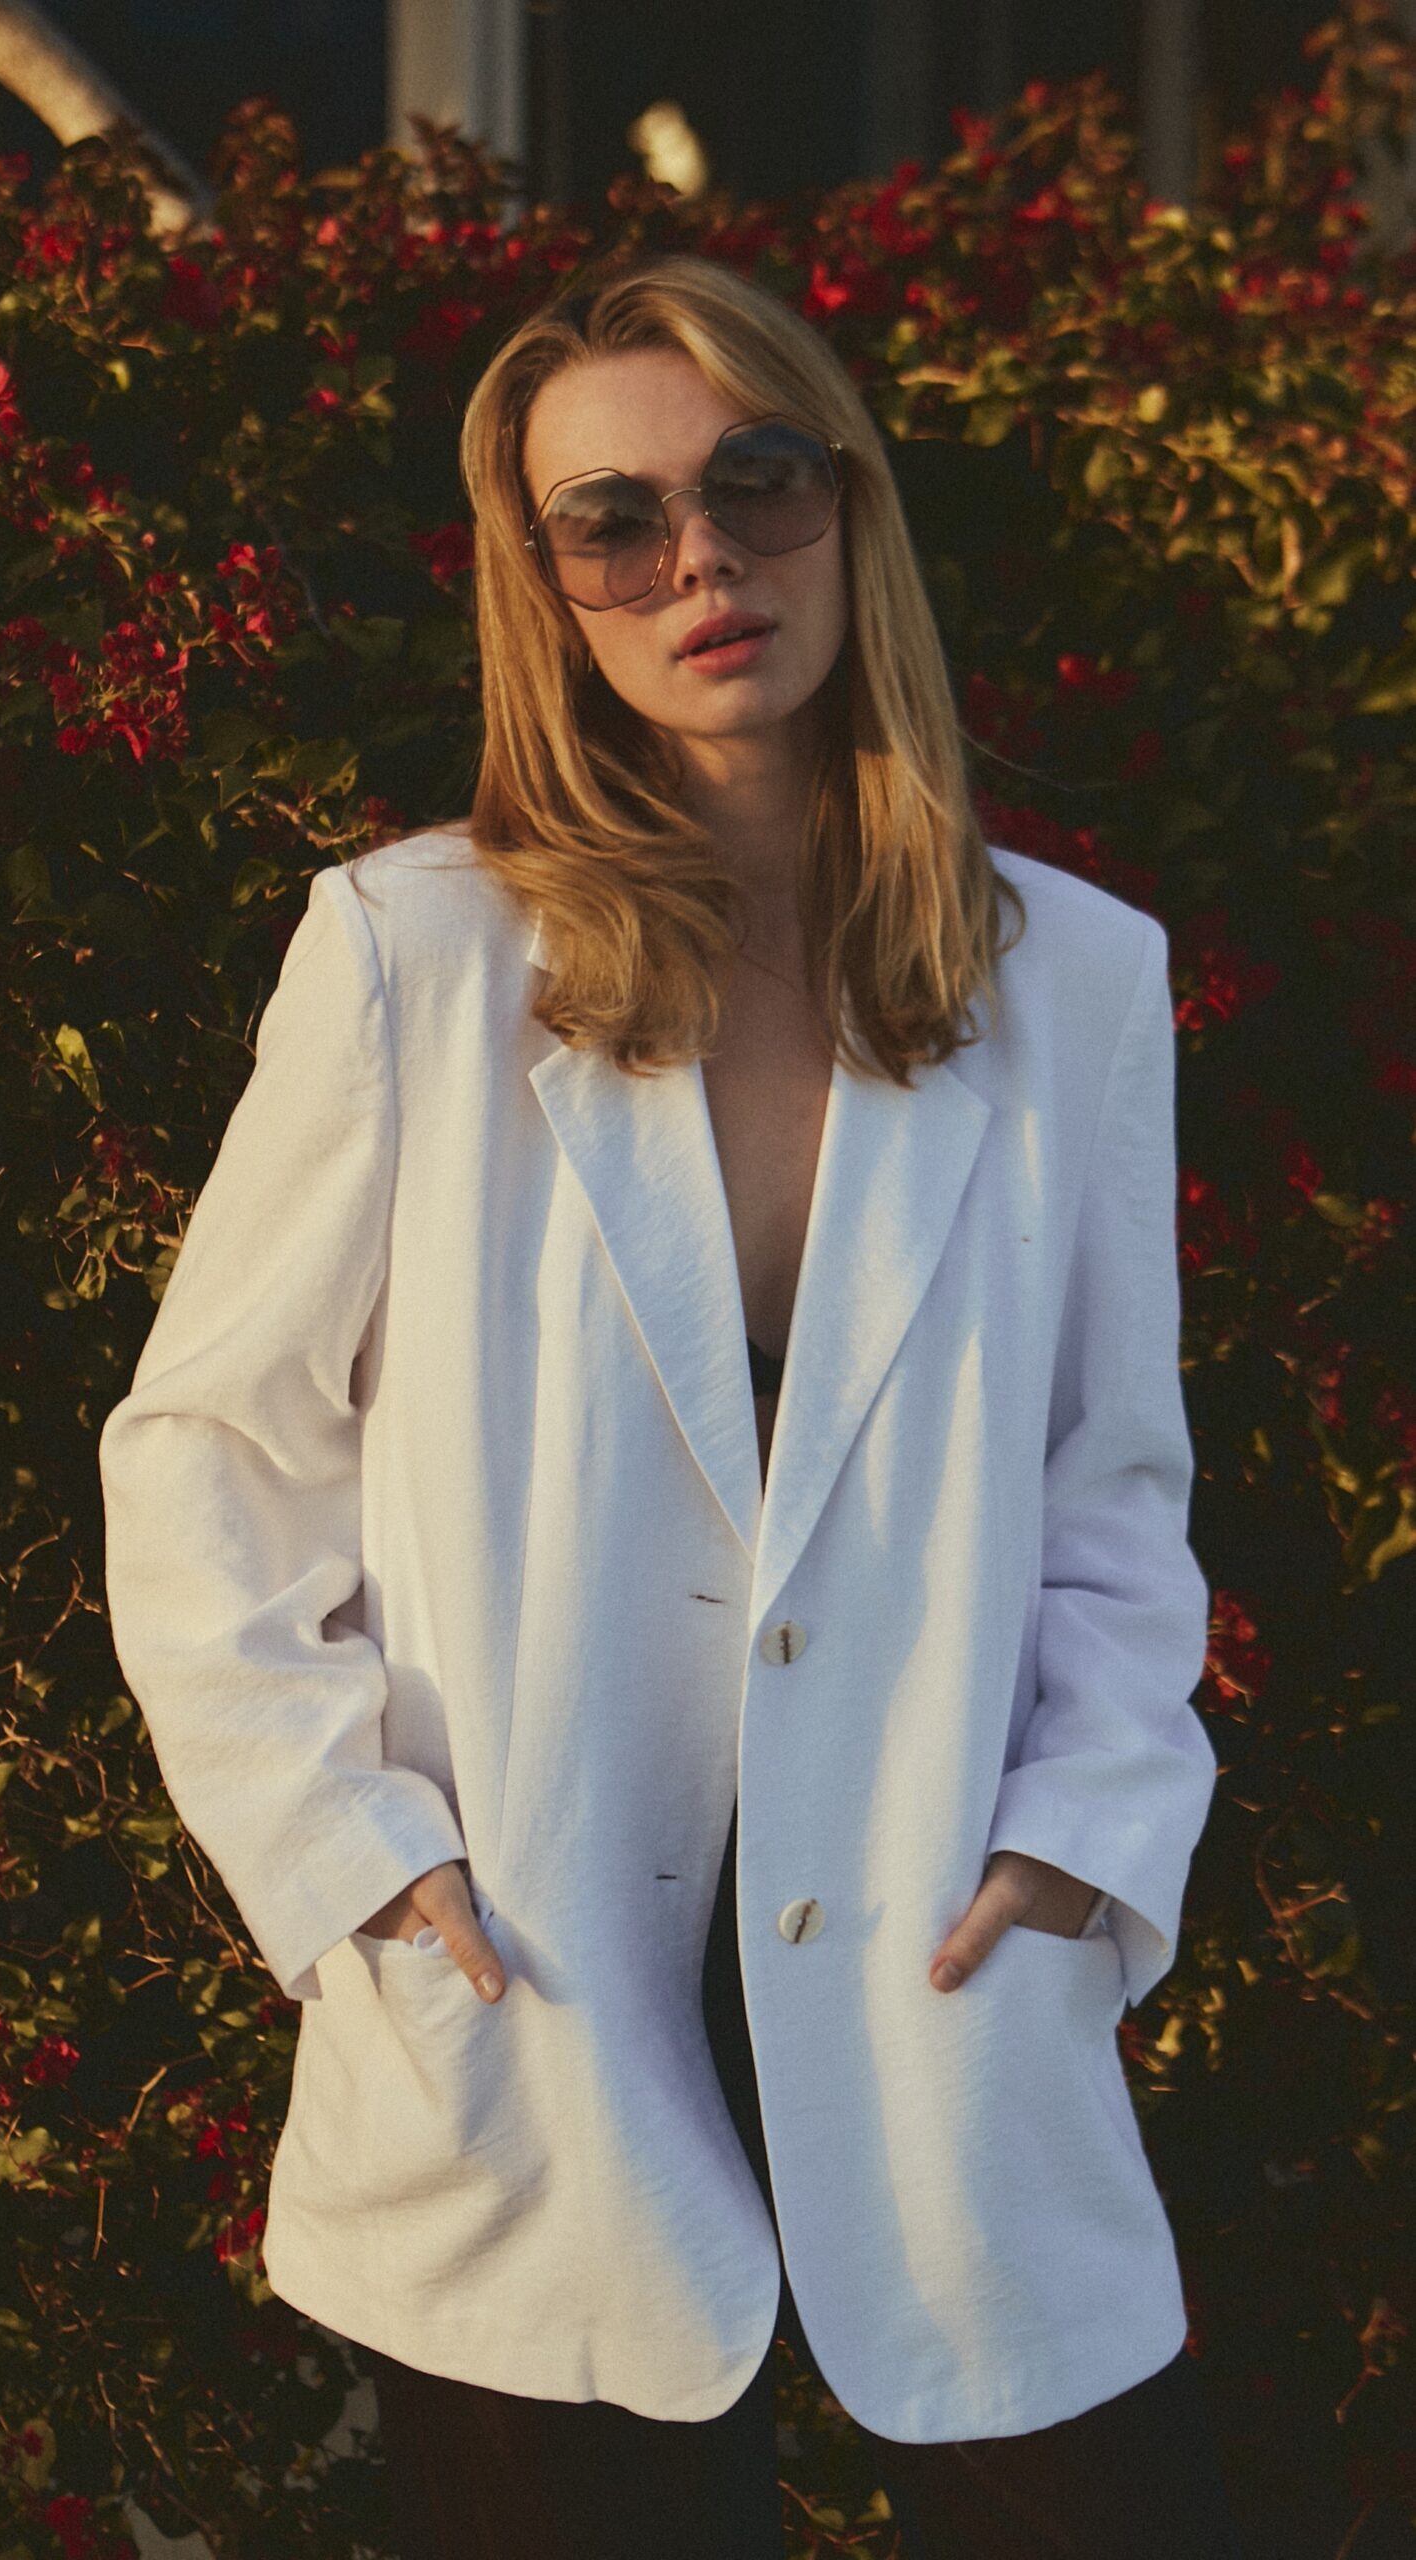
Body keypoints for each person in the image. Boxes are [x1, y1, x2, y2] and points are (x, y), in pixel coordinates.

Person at [98, 255, 1251, 2558]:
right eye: (609, 522)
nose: (699, 558)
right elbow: (205, 1452)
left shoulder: (1072, 984)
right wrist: (353, 1853)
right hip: (534, 1964)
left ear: (848, 505)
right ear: (544, 589)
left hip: (939, 1954)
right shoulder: (414, 958)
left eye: (754, 479)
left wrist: (1088, 1829)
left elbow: (1109, 1482)